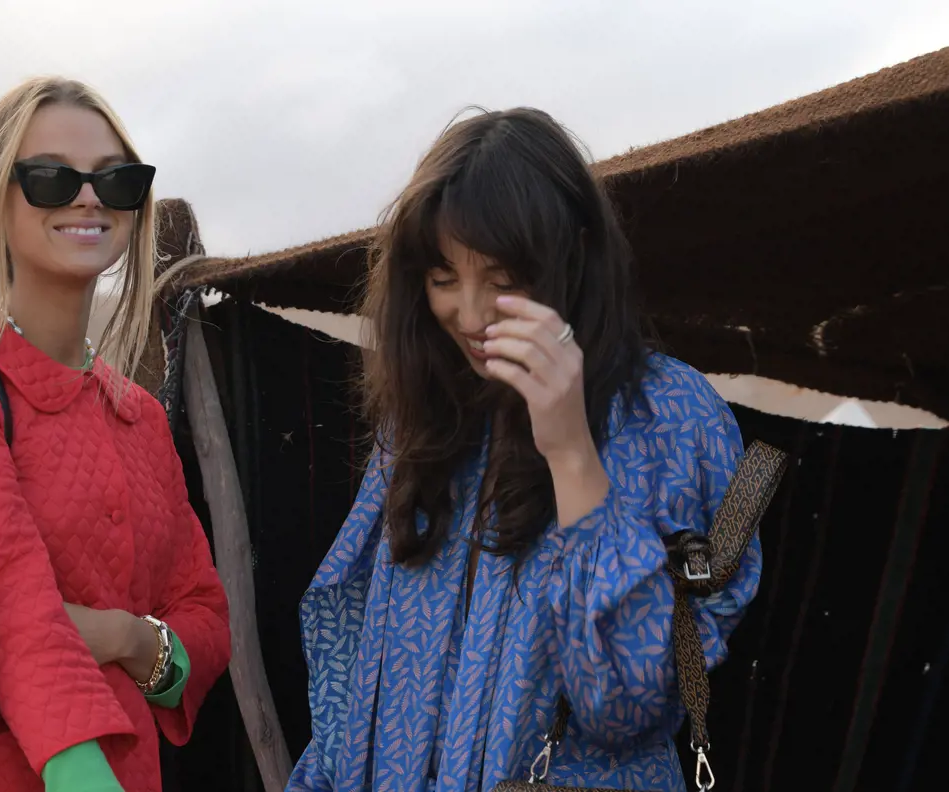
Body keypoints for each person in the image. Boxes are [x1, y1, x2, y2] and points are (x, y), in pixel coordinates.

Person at [287, 108, 761, 791]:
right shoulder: (421, 416)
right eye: (443, 278)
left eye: (503, 279)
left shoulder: (670, 416)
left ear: (571, 253)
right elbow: (351, 660)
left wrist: (569, 449)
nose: (472, 316)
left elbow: (626, 707)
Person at [0, 77, 231, 792]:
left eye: (116, 179)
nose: (88, 198)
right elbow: (5, 604)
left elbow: (204, 617)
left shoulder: (136, 415)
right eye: (51, 178)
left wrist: (127, 638)